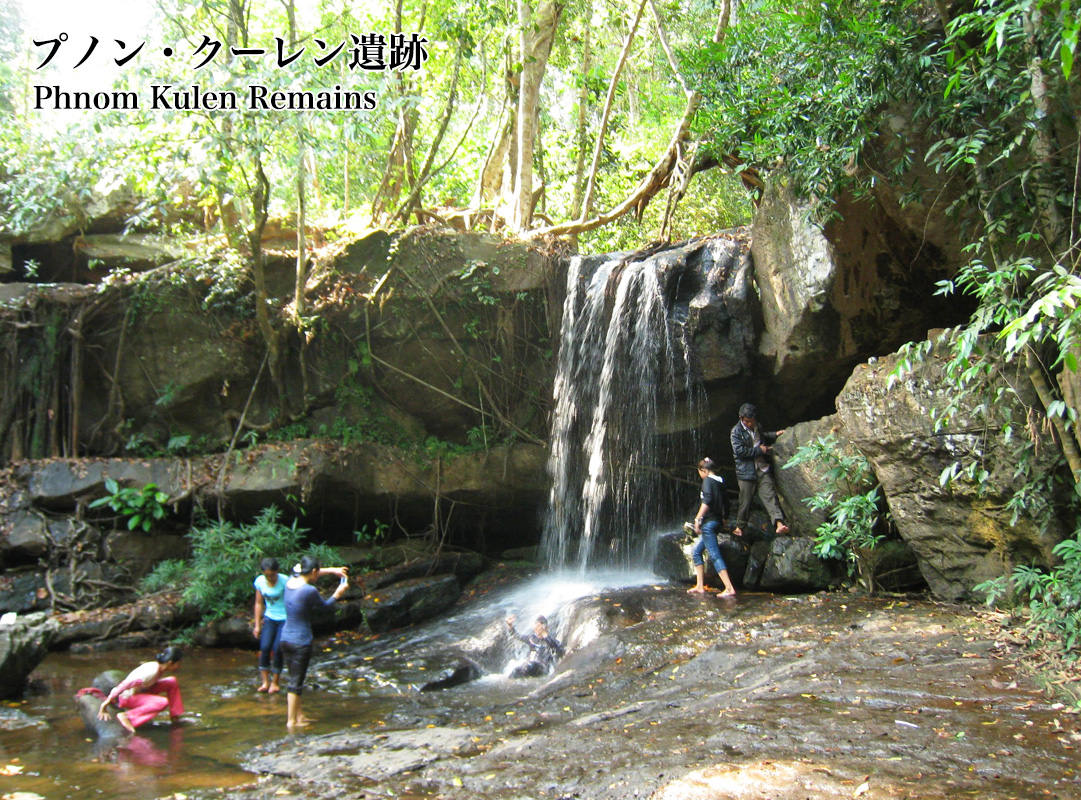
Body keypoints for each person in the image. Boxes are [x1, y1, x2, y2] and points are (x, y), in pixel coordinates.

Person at [280, 555, 350, 728]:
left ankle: (300, 716)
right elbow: (325, 607)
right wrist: (337, 594)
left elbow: (306, 570)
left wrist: (332, 570)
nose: (318, 575)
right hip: (300, 641)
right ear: (312, 572)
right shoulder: (308, 591)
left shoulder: (291, 580)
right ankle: (291, 722)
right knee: (295, 683)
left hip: (285, 638)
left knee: (294, 679)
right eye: (317, 572)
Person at [730, 402, 789, 537]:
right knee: (745, 502)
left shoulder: (757, 426)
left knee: (770, 496)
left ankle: (779, 524)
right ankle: (740, 527)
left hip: (762, 468)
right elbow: (739, 451)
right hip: (746, 472)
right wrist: (760, 450)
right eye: (747, 421)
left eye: (752, 420)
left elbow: (762, 436)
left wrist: (775, 434)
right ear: (741, 418)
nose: (750, 423)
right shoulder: (736, 432)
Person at [96, 646, 185, 734]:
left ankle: (175, 717)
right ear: (170, 663)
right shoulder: (152, 671)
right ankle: (127, 716)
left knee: (172, 681)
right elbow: (125, 684)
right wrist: (105, 703)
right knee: (163, 702)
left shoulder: (158, 667)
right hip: (128, 698)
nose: (179, 666)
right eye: (179, 663)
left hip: (141, 692)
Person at [687, 457, 737, 597]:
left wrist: (697, 519)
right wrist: (725, 520)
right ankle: (700, 585)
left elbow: (707, 500)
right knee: (696, 551)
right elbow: (726, 504)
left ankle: (729, 588)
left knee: (714, 555)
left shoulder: (707, 481)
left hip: (709, 523)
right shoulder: (720, 482)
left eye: (700, 472)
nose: (700, 476)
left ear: (703, 470)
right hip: (716, 522)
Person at [253, 556, 286, 694]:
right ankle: (265, 682)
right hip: (270, 617)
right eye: (267, 576)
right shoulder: (260, 582)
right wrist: (257, 625)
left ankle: (275, 682)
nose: (270, 578)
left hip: (285, 618)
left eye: (272, 575)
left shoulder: (285, 581)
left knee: (277, 649)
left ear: (277, 572)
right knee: (265, 647)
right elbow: (259, 603)